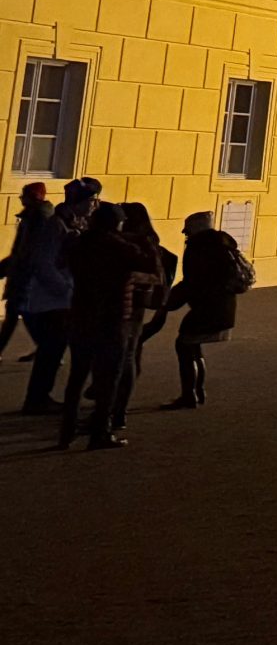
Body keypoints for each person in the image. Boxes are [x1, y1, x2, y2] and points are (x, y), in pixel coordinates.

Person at [58, 198, 159, 451]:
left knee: (77, 377)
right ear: (117, 223)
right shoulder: (120, 247)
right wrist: (144, 241)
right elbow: (152, 267)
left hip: (81, 316)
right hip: (112, 320)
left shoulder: (80, 244)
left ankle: (66, 432)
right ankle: (100, 432)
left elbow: (62, 262)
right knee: (109, 379)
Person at [16, 177, 94, 415]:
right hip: (54, 301)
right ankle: (37, 399)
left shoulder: (71, 222)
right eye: (91, 200)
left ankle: (39, 397)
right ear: (79, 202)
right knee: (51, 350)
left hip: (59, 299)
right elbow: (44, 263)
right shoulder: (57, 225)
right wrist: (66, 290)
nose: (94, 205)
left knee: (53, 350)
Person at [162, 211, 244, 410]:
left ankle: (189, 395)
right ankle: (199, 391)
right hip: (224, 306)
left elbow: (192, 282)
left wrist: (168, 301)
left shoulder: (198, 248)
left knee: (184, 345)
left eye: (188, 230)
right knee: (193, 346)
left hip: (206, 308)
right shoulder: (223, 245)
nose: (185, 234)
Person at [110, 203, 175, 431]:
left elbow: (151, 276)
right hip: (138, 306)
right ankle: (118, 409)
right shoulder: (149, 241)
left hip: (127, 305)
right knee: (130, 354)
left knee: (123, 356)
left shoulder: (133, 243)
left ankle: (115, 408)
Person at [0, 181, 50, 360]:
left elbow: (26, 251)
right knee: (18, 313)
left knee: (20, 312)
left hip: (26, 274)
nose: (21, 199)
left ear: (33, 197)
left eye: (24, 196)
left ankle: (48, 349)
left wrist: (7, 267)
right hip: (24, 273)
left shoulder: (37, 219)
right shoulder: (34, 217)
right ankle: (47, 348)